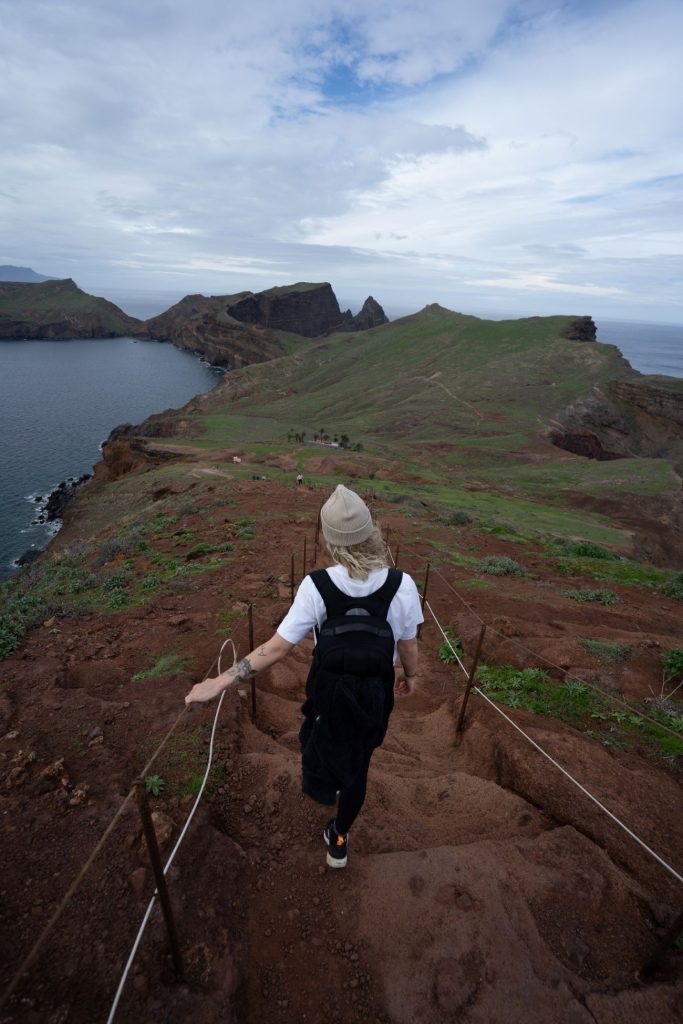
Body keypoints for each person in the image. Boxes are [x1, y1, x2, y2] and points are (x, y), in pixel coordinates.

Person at [185, 484, 423, 868]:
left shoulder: (317, 586)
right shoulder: (403, 584)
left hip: (328, 692)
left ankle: (323, 783)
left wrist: (220, 681)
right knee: (360, 764)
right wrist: (410, 676)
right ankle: (340, 838)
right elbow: (409, 644)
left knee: (318, 736)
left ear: (329, 540)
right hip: (376, 694)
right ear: (371, 531)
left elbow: (277, 648)